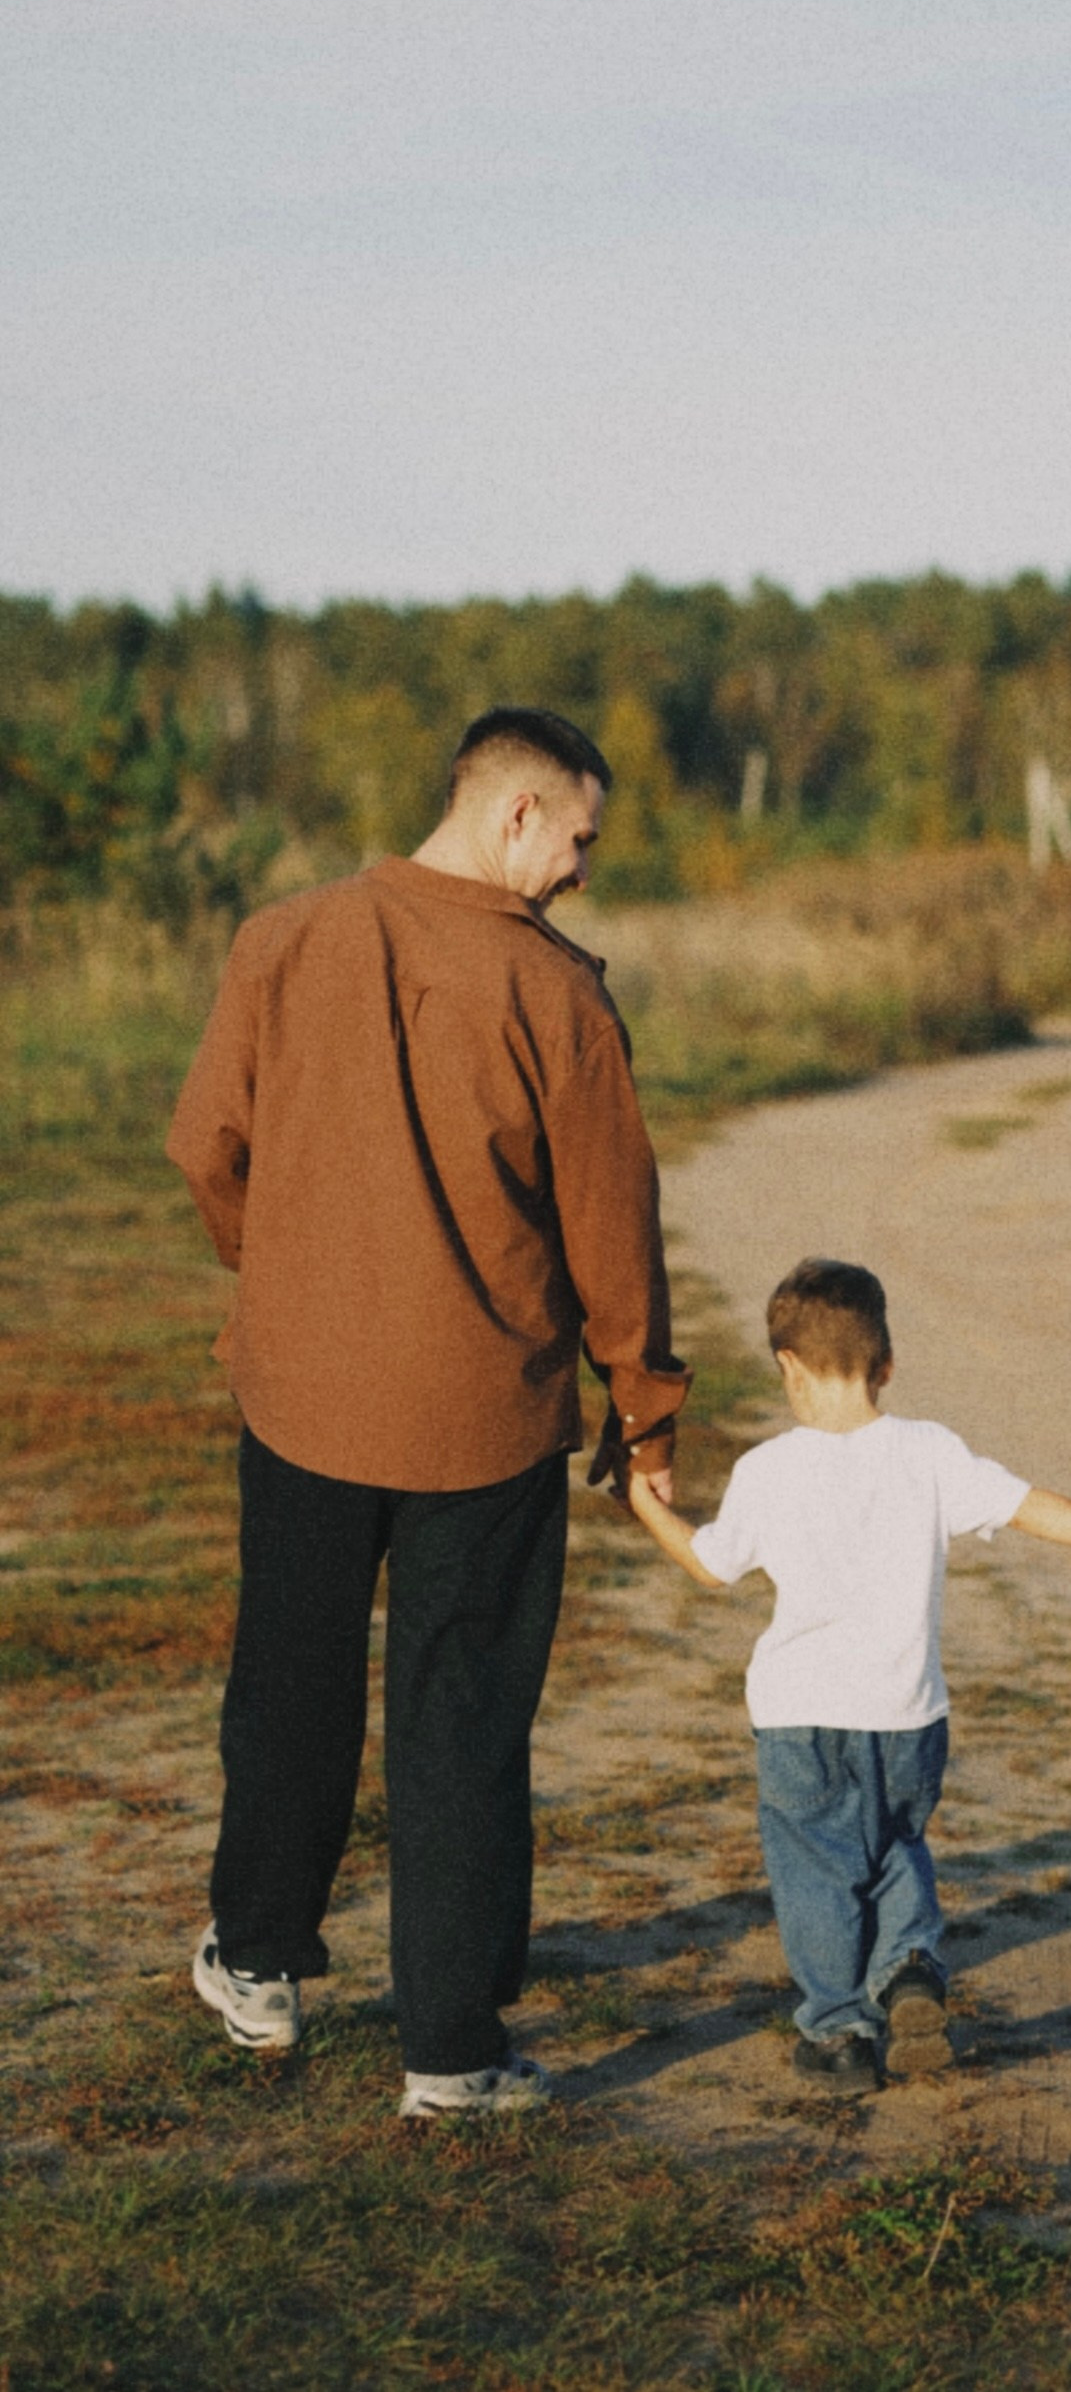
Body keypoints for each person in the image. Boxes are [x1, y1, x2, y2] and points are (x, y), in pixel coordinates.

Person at [166, 705, 690, 2119]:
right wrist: (644, 1404)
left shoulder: (281, 936)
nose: (583, 865)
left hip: (301, 1401)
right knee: (462, 1720)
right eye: (579, 836)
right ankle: (451, 2047)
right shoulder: (559, 995)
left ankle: (260, 1964)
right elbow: (611, 1228)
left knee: (291, 1683)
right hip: (486, 1420)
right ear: (516, 814)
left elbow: (208, 1143)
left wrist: (282, 1274)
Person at [630, 1257, 1071, 2095]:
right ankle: (909, 1964)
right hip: (908, 1712)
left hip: (800, 1717)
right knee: (894, 1847)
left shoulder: (768, 1469)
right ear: (886, 1365)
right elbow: (1028, 1505)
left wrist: (647, 1504)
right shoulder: (929, 1451)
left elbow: (709, 1566)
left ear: (788, 1370)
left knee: (817, 1866)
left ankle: (839, 2031)